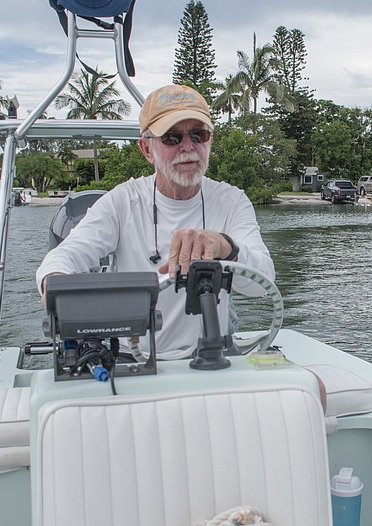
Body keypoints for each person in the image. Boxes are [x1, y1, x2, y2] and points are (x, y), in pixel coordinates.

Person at [36, 84, 275, 359]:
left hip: (211, 356)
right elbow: (62, 258)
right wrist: (56, 288)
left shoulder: (232, 201)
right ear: (147, 149)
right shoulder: (122, 202)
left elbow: (263, 283)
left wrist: (225, 246)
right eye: (172, 138)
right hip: (134, 358)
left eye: (199, 135)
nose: (189, 147)